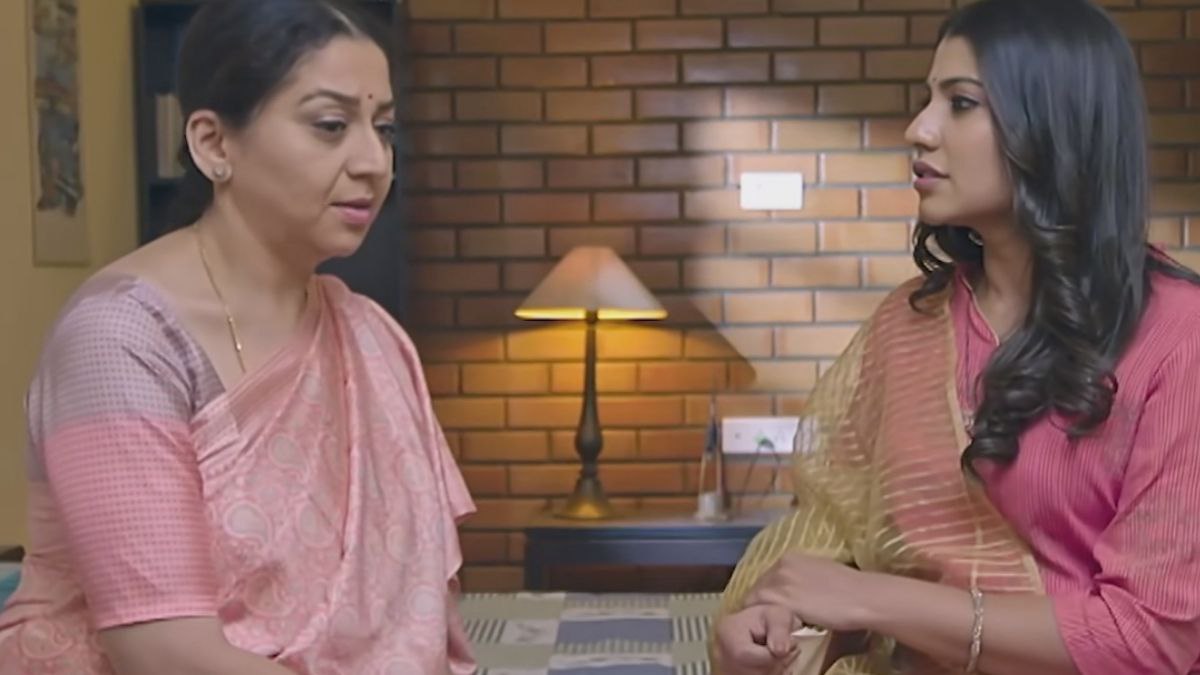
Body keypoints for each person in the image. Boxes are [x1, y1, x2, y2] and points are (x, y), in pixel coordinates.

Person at [712, 0, 1200, 673]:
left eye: (961, 103)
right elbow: (843, 540)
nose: (918, 129)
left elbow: (1153, 637)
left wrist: (873, 600)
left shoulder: (1178, 338)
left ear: (1054, 125)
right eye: (927, 100)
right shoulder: (908, 324)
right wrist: (776, 623)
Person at [0, 1, 476, 673]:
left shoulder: (370, 333)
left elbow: (422, 607)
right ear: (214, 144)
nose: (374, 161)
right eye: (331, 125)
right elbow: (163, 652)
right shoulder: (120, 339)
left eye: (384, 128)